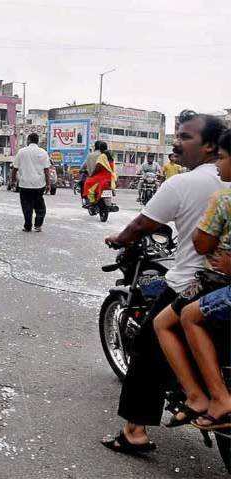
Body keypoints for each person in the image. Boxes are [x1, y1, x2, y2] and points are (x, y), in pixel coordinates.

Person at [101, 110, 228, 455]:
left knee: (147, 343)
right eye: (177, 135)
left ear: (210, 147)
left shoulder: (183, 183)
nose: (177, 142)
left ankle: (135, 431)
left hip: (193, 282)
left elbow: (141, 225)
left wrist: (119, 238)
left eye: (186, 136)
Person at [153, 129, 231, 430]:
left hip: (215, 280)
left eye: (222, 159)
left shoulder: (223, 197)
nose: (219, 166)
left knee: (170, 321)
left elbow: (201, 244)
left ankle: (201, 395)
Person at [12, 133, 51, 232]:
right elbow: (47, 170)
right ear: (37, 141)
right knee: (40, 206)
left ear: (28, 140)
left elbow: (14, 168)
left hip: (24, 184)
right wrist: (48, 184)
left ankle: (27, 226)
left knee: (26, 206)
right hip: (39, 185)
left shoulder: (21, 152)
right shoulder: (43, 152)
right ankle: (38, 225)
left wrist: (13, 181)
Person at [82, 141, 117, 205]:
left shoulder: (102, 156)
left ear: (100, 148)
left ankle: (92, 201)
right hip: (110, 176)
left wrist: (92, 175)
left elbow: (98, 167)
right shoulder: (110, 156)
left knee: (88, 183)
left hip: (102, 176)